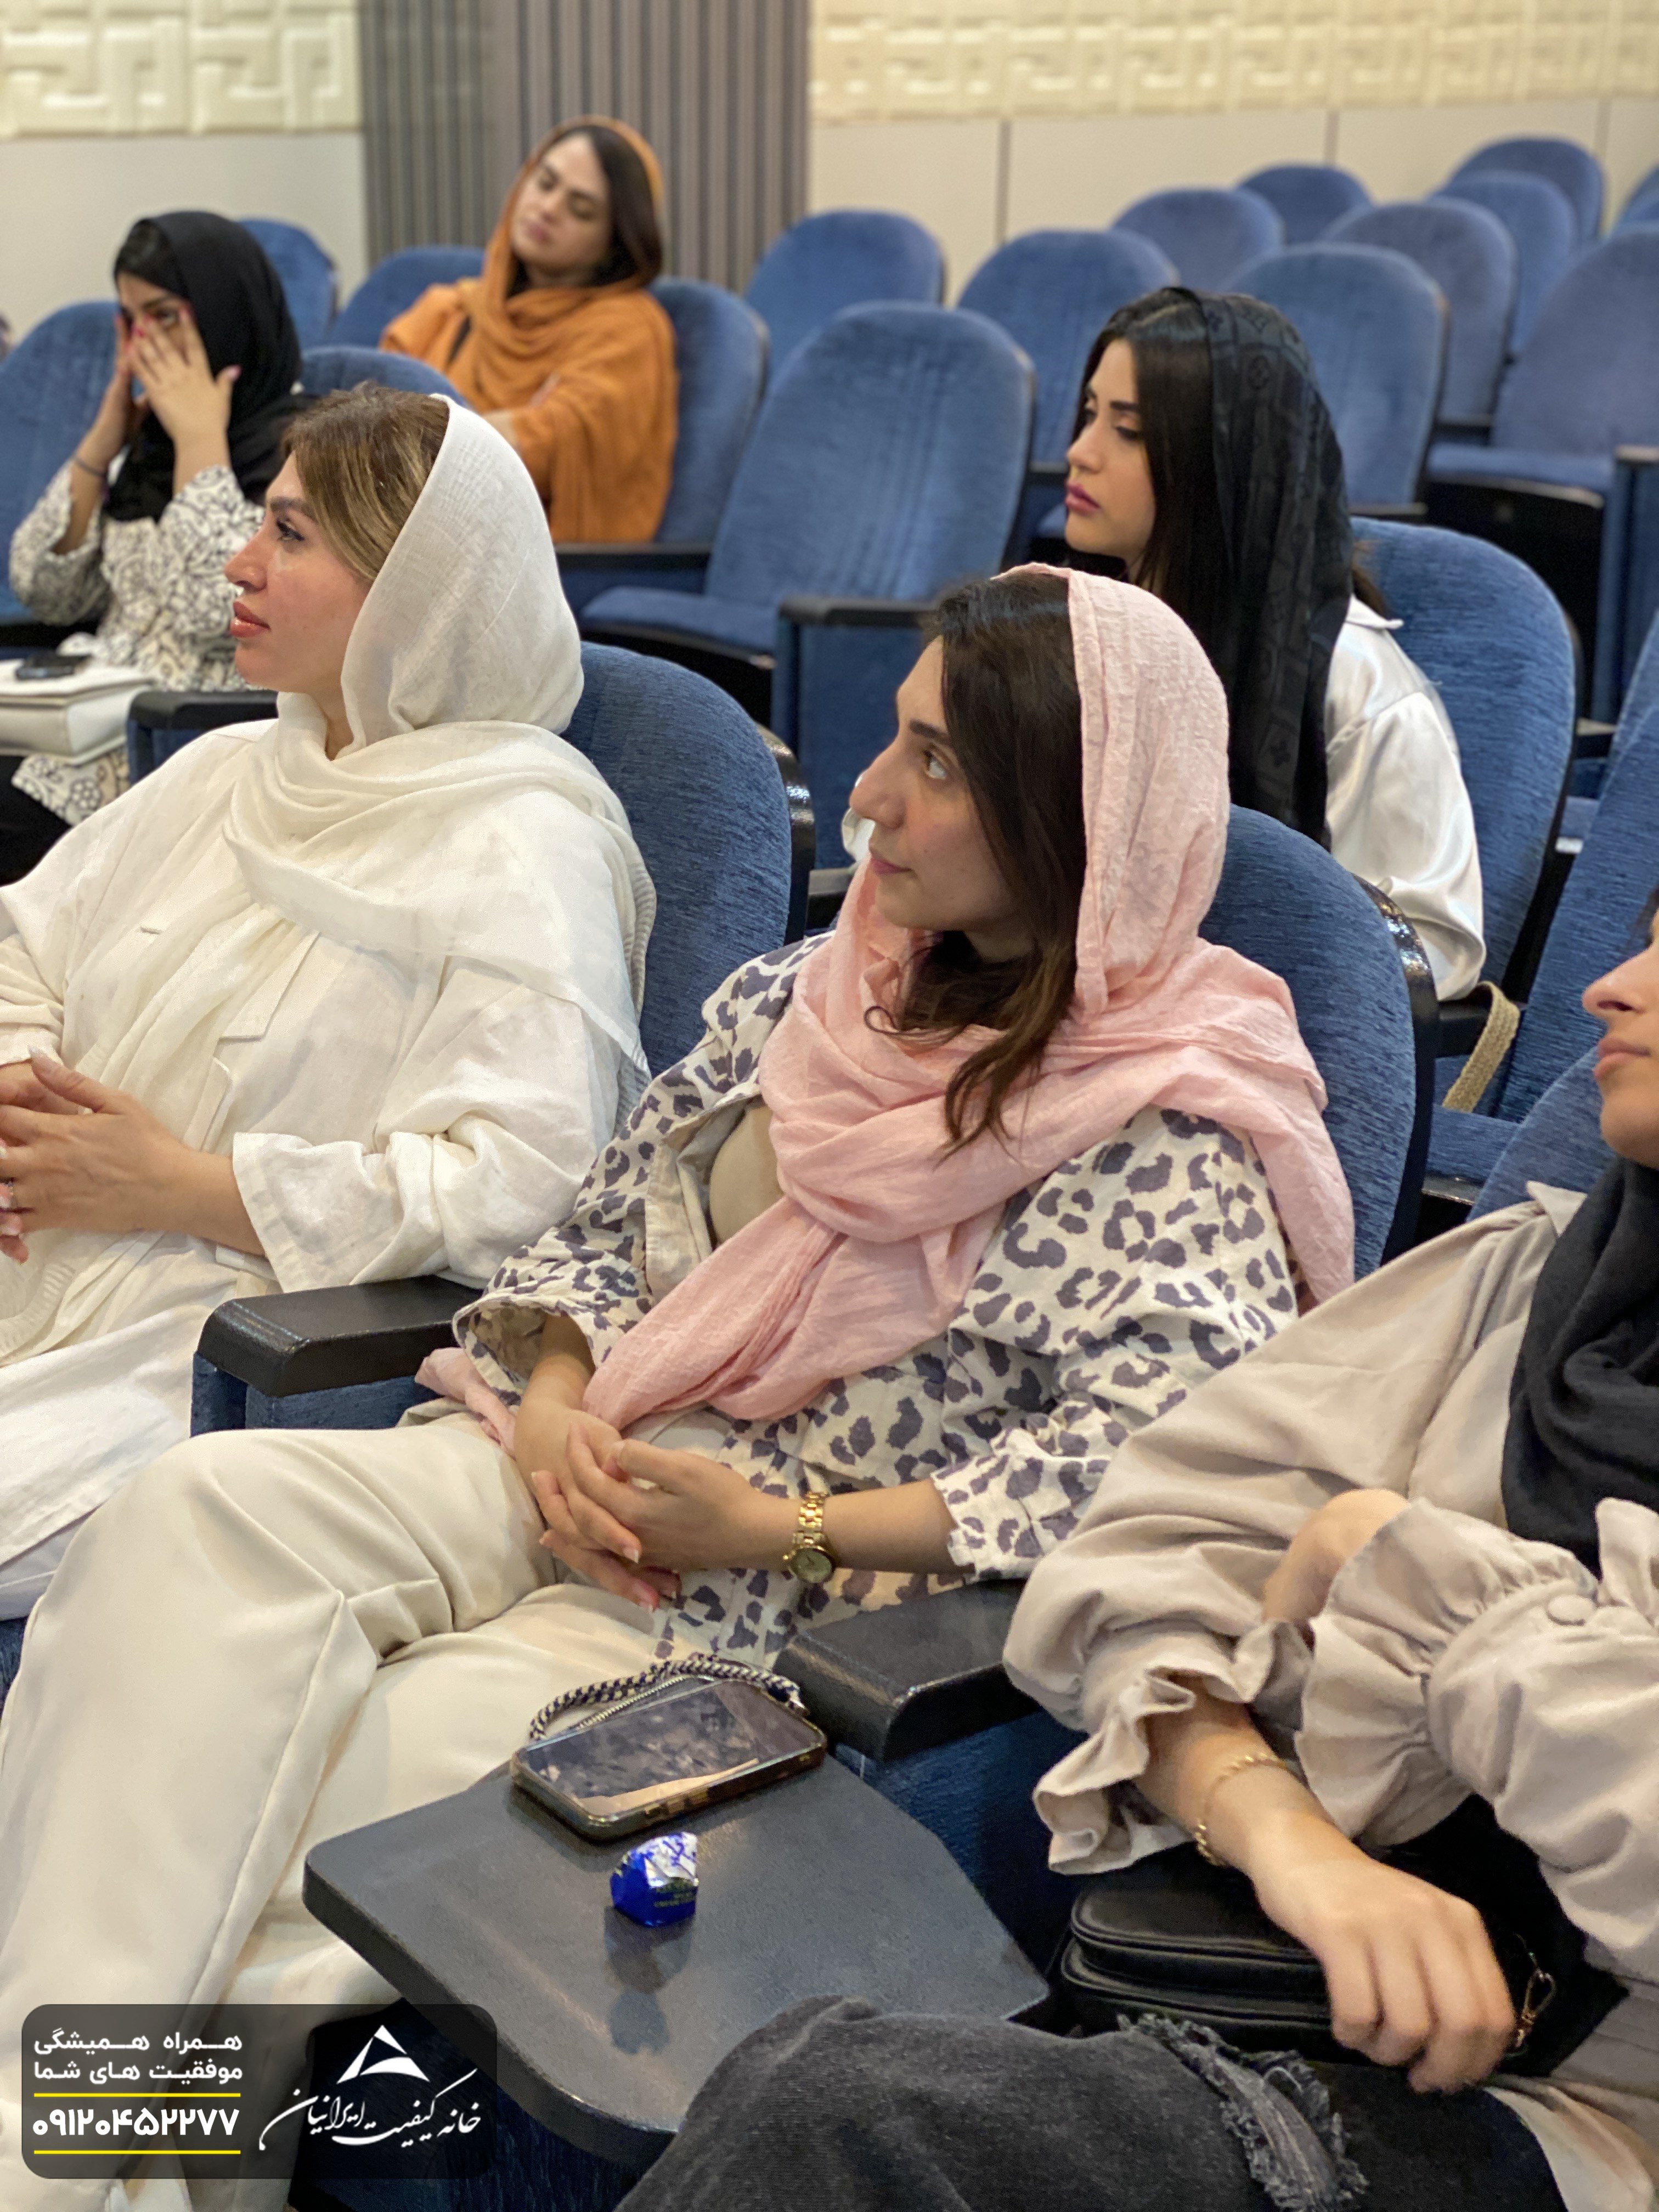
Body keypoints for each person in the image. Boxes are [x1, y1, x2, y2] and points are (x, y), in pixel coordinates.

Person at [0, 567, 1356, 2200]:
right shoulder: (818, 993)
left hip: (751, 1607)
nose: (869, 793)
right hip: (569, 1459)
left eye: (935, 763)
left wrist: (777, 1527)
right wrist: (555, 1404)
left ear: (1072, 821)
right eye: (896, 739)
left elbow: (1136, 1477)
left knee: (324, 1820)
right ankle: (37, 2146)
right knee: (186, 1521)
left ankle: (69, 2158)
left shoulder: (1170, 1127)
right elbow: (588, 1233)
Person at [608, 913, 1659, 2212]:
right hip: (1279, 1968)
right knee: (788, 2079)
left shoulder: (1177, 1120)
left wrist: (1410, 1585)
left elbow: (1105, 1487)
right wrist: (1287, 1839)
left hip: (1584, 2120)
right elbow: (1141, 1557)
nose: (1610, 989)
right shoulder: (1542, 1285)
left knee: (835, 2121)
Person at [0, 386, 654, 1621]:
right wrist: (23, 1088)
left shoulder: (518, 846)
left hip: (234, 1337)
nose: (239, 563)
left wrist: (185, 1186)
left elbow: (524, 1191)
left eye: (290, 534)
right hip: (45, 1232)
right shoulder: (228, 770)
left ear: (413, 588)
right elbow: (25, 942)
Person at [1062, 286, 1485, 1001]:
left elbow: (1430, 950)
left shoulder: (1360, 687)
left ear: (1221, 460)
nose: (1081, 453)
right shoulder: (1077, 627)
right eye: (1089, 415)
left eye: (1127, 431)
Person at [4, 213, 305, 876]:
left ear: (227, 314)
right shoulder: (145, 448)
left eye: (166, 316)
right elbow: (44, 591)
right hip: (74, 726)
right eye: (132, 319)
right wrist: (104, 439)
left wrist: (202, 440)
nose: (146, 344)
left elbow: (216, 612)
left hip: (175, 748)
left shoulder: (303, 455)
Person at [382, 117, 676, 543]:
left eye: (580, 210)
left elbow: (546, 448)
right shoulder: (453, 310)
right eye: (545, 183)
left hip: (526, 557)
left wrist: (420, 437)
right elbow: (372, 418)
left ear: (614, 242)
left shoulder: (628, 329)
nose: (549, 208)